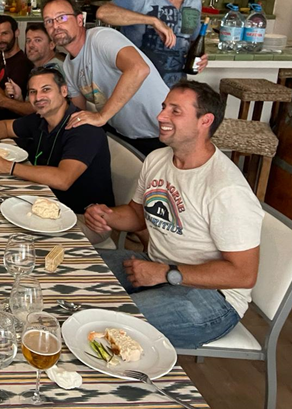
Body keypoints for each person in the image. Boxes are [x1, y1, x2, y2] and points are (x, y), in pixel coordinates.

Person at [85, 81, 263, 348]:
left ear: (205, 121)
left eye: (175, 111)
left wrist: (167, 273)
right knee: (76, 271)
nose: (161, 116)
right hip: (158, 266)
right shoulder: (157, 159)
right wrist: (105, 215)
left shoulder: (226, 189)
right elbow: (137, 215)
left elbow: (243, 274)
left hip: (214, 299)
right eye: (164, 107)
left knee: (105, 324)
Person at [0, 67, 114, 245]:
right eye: (33, 92)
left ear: (64, 91)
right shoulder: (42, 117)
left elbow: (63, 179)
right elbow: (4, 127)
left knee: (10, 236)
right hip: (45, 201)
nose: (38, 97)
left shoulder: (83, 129)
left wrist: (9, 167)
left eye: (46, 89)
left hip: (85, 218)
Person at [43, 0, 170, 156]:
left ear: (80, 20)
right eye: (48, 21)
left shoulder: (100, 38)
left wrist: (101, 116)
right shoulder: (68, 66)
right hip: (126, 136)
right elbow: (79, 114)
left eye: (61, 17)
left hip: (162, 132)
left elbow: (139, 68)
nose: (55, 26)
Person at [96, 0, 207, 87]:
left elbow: (193, 41)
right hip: (138, 84)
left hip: (176, 85)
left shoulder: (194, 0)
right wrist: (153, 21)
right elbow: (103, 12)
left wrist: (202, 59)